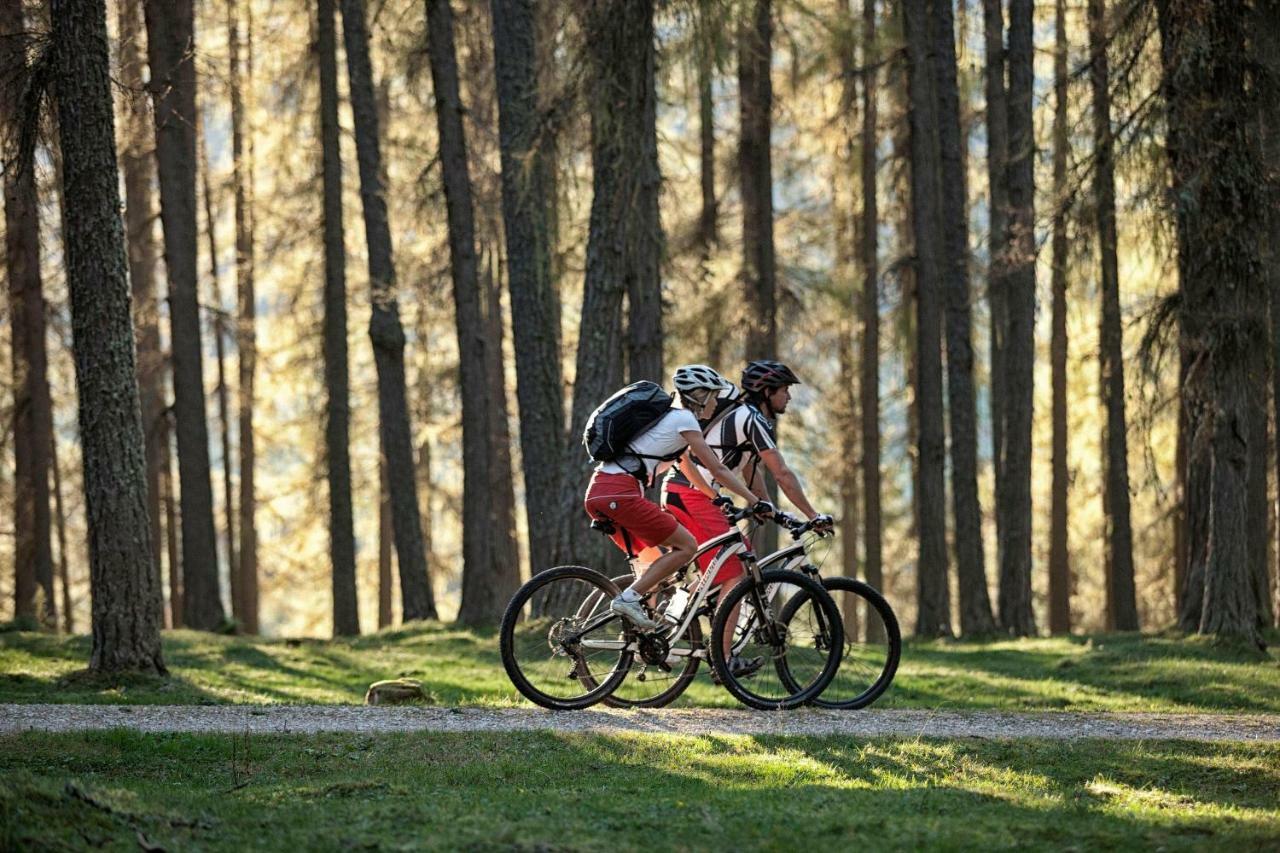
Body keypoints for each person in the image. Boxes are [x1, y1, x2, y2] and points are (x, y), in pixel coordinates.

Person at [661, 361, 830, 678]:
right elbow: (781, 472)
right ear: (767, 392)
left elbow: (753, 473)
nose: (789, 398)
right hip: (694, 495)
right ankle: (722, 659)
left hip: (681, 492)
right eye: (784, 391)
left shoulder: (744, 417)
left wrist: (773, 511)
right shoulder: (751, 420)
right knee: (735, 574)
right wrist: (813, 515)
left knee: (733, 562)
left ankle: (672, 619)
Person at [582, 366, 764, 633]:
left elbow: (686, 465)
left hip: (600, 492)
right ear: (699, 395)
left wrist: (715, 497)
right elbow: (717, 469)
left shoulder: (670, 422)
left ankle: (642, 637)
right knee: (687, 547)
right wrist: (755, 500)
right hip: (621, 494)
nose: (715, 401)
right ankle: (627, 600)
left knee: (656, 573)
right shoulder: (685, 420)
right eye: (713, 395)